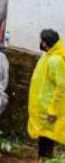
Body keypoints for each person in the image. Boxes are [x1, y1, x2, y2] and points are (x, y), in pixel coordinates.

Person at [29, 29, 65, 159]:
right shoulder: (47, 56)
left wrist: (53, 110)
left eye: (42, 41)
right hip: (43, 109)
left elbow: (61, 86)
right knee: (44, 138)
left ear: (45, 43)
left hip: (48, 110)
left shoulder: (55, 61)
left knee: (47, 140)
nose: (40, 43)